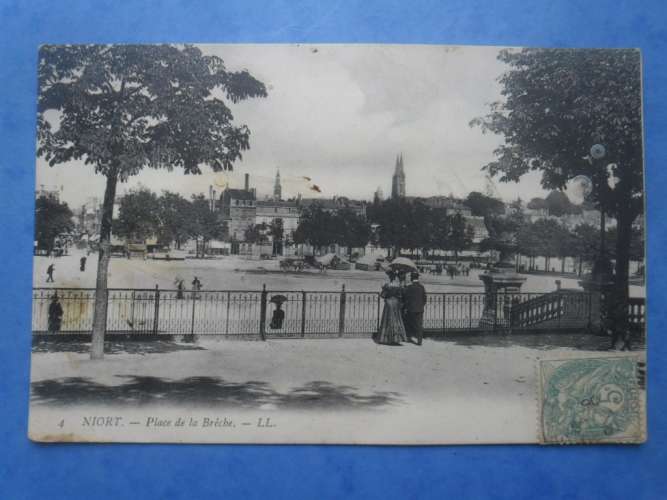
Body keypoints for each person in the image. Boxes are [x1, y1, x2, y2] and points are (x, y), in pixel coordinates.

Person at [372, 270, 407, 345]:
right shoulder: (398, 285)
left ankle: (386, 338)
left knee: (387, 319)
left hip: (388, 303)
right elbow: (400, 295)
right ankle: (396, 338)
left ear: (389, 277)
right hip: (395, 303)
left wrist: (382, 288)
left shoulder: (387, 285)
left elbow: (382, 295)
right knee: (396, 318)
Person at [403, 272, 427, 345]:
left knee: (409, 323)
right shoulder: (421, 287)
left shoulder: (409, 287)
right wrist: (421, 305)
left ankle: (408, 337)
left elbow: (405, 298)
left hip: (411, 308)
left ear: (411, 278)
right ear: (417, 278)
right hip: (420, 309)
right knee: (419, 325)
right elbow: (424, 298)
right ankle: (419, 341)